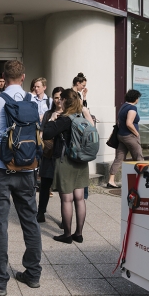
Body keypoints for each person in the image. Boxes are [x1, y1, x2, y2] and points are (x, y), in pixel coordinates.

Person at [0, 60, 42, 296]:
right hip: (28, 170)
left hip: (1, 169)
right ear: (23, 77)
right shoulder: (34, 101)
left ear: (3, 76)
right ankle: (33, 273)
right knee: (30, 222)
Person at [43, 89, 95, 243]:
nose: (59, 101)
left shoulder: (64, 120)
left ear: (65, 101)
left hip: (65, 160)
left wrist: (51, 119)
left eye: (61, 99)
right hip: (81, 161)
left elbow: (46, 133)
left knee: (66, 199)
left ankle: (67, 235)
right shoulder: (81, 117)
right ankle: (78, 234)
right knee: (80, 198)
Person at [107, 89, 145, 188]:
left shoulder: (123, 106)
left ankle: (111, 180)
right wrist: (136, 133)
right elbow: (129, 123)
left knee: (118, 158)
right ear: (135, 98)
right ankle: (142, 182)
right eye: (138, 98)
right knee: (139, 158)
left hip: (121, 136)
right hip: (130, 137)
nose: (138, 100)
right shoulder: (132, 108)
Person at [37, 87, 63, 223]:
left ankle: (65, 217)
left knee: (63, 189)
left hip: (62, 156)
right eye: (56, 97)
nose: (58, 100)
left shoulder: (68, 114)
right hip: (48, 153)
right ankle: (41, 212)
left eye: (61, 97)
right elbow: (42, 132)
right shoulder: (48, 114)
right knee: (45, 185)